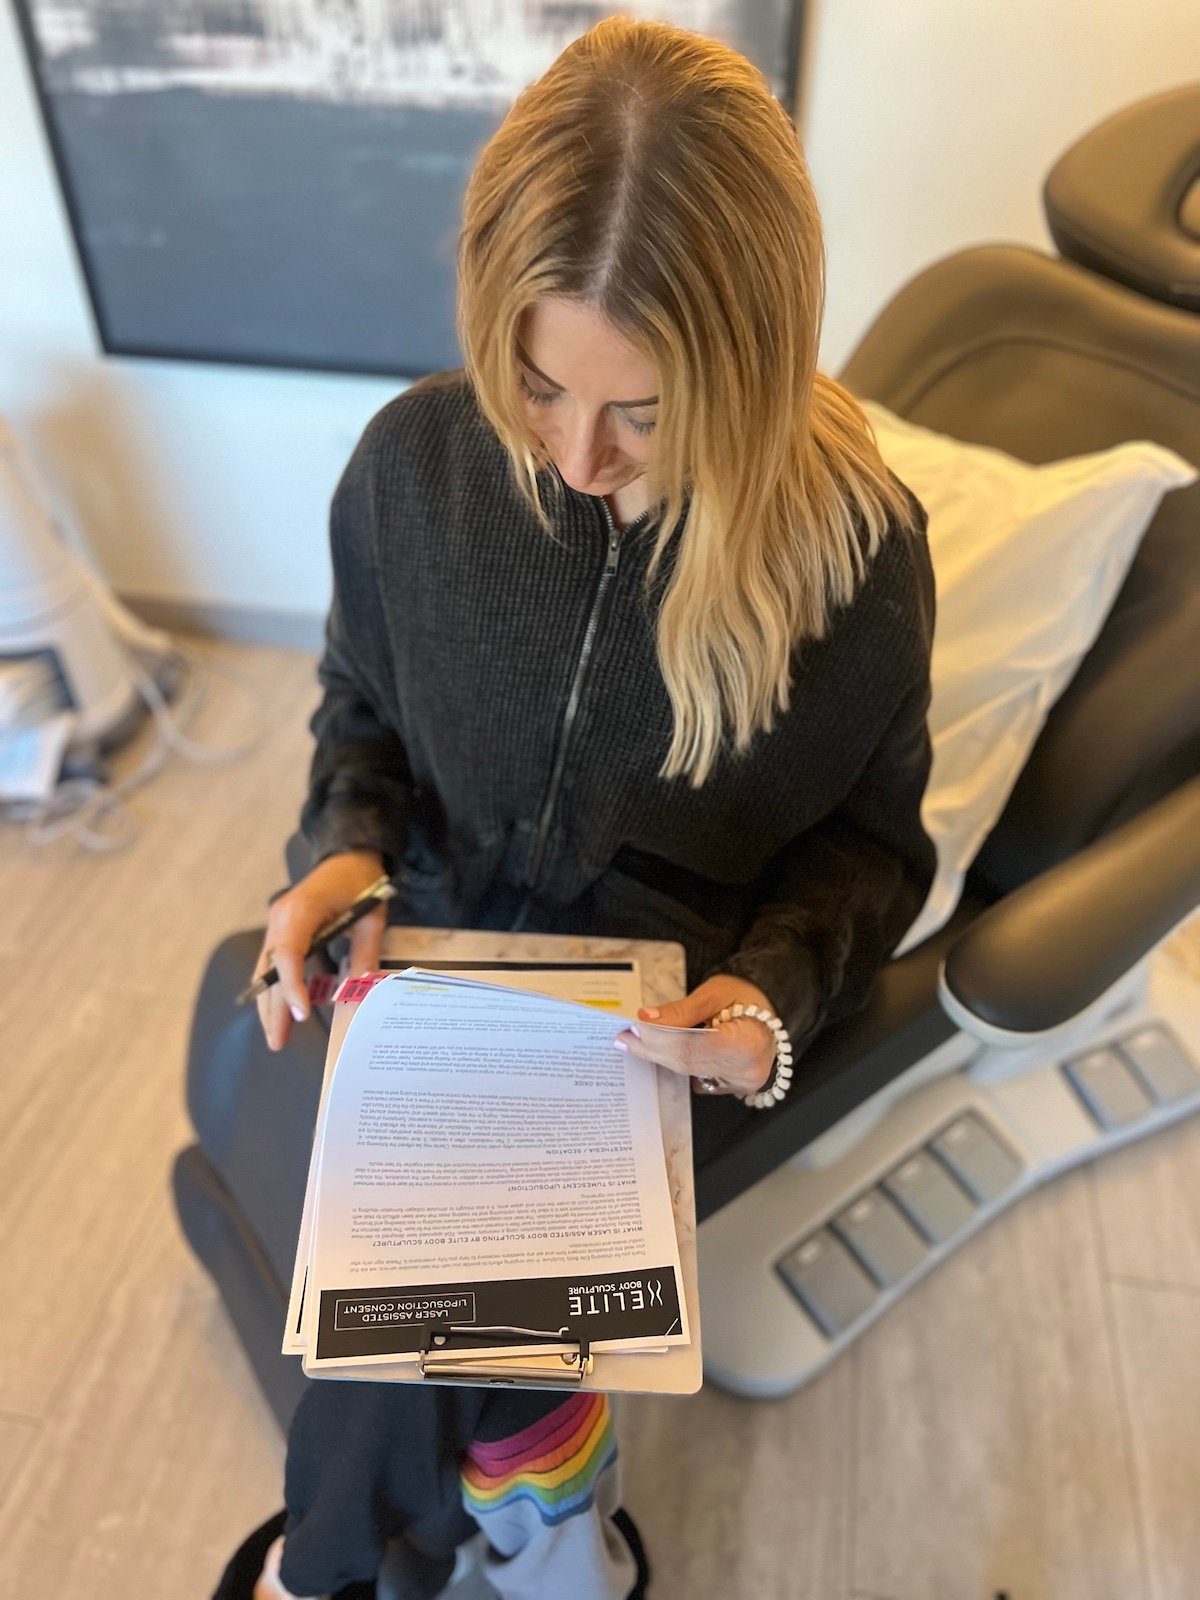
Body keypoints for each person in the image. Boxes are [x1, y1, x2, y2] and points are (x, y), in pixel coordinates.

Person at [220, 15, 938, 1600]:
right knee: (429, 1324)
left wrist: (770, 1004)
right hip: (438, 955)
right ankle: (545, 1530)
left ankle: (325, 1574)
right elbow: (363, 708)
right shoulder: (415, 467)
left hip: (642, 1022)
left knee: (419, 1326)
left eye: (644, 415)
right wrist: (340, 846)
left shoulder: (858, 560)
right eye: (538, 384)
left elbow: (872, 849)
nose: (572, 458)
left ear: (746, 370)